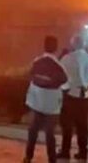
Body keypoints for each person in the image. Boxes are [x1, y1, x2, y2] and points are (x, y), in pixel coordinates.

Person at [24, 35, 68, 163]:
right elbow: (65, 83)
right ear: (56, 48)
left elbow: (30, 76)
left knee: (33, 131)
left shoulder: (37, 62)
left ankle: (28, 157)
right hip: (52, 105)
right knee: (50, 134)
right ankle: (52, 159)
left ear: (44, 46)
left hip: (37, 102)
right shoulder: (59, 66)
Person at [59, 35, 88, 161]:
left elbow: (61, 73)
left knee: (67, 125)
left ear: (73, 44)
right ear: (84, 44)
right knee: (82, 126)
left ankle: (65, 151)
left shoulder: (67, 58)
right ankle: (83, 152)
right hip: (84, 94)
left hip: (70, 93)